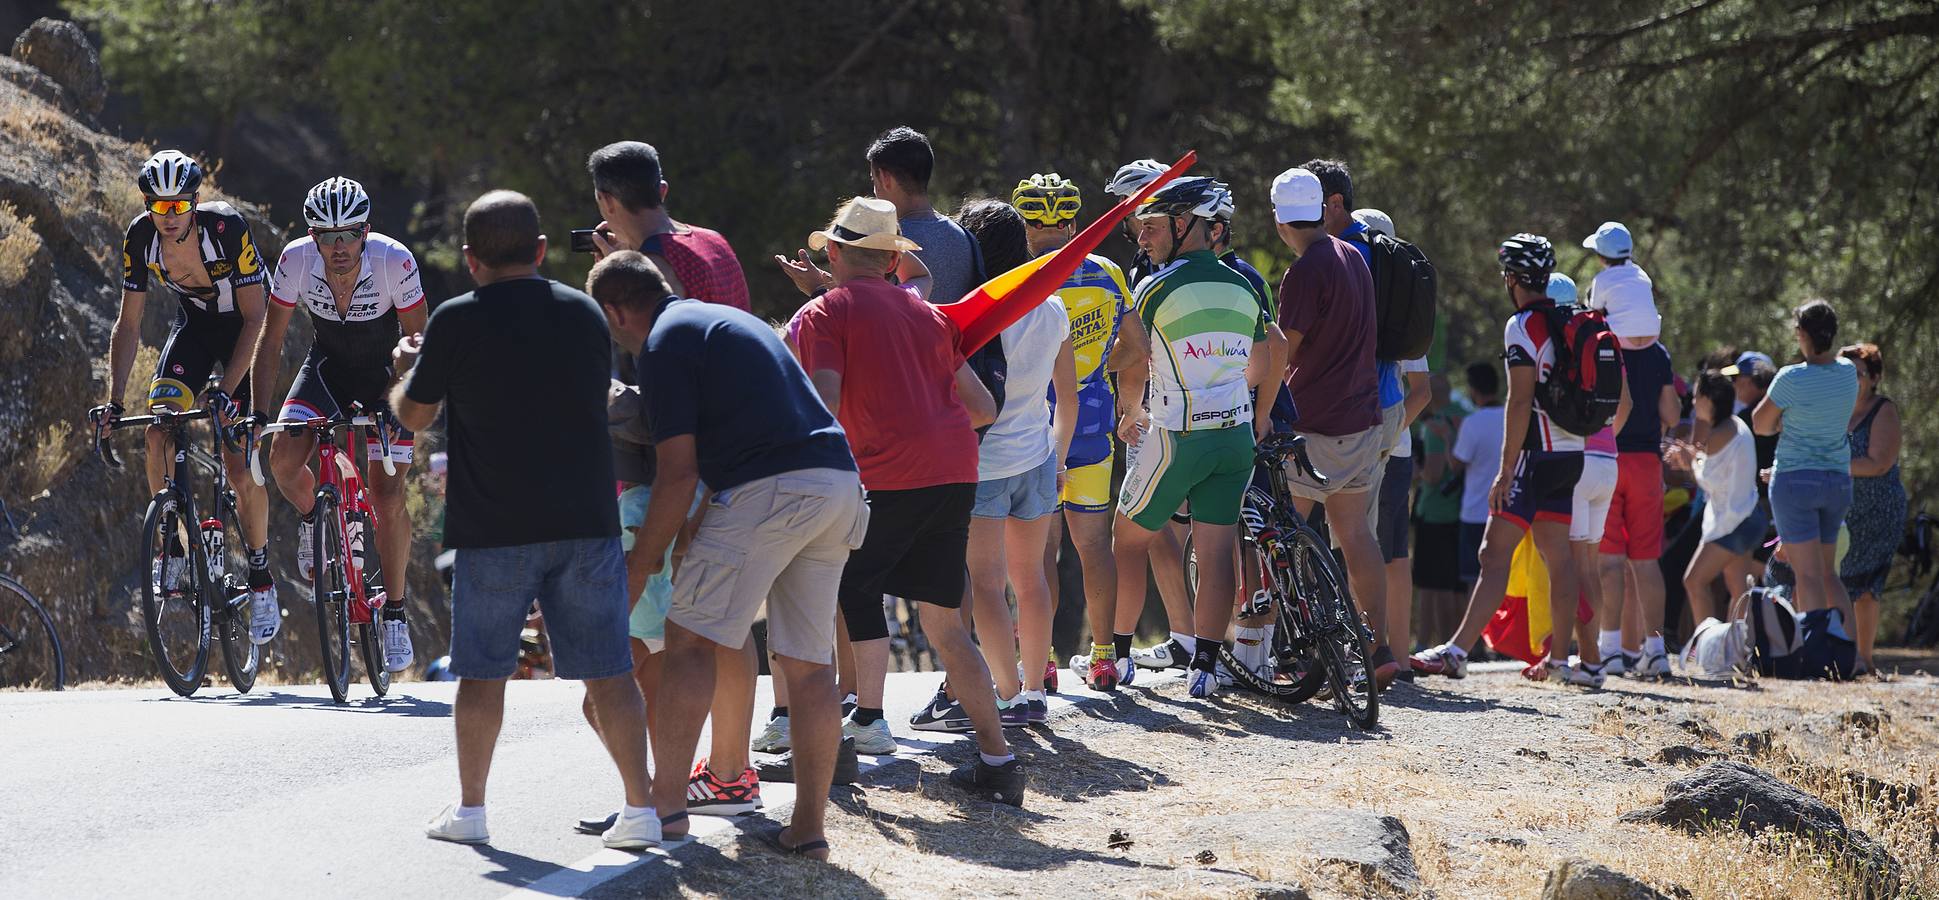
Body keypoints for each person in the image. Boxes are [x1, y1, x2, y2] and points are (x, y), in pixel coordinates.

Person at [398, 191, 654, 850]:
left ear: (470, 258)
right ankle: (641, 808)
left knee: (481, 674)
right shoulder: (584, 314)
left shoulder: (455, 320)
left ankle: (473, 811)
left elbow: (414, 416)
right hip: (585, 518)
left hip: (494, 525)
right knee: (610, 670)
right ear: (540, 251)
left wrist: (403, 373)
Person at [590, 250, 865, 859]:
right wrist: (697, 526)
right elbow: (745, 428)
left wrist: (639, 570)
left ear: (616, 310)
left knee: (689, 643)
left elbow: (675, 474)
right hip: (837, 482)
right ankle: (808, 830)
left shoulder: (662, 345)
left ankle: (664, 809)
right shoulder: (721, 321)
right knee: (810, 666)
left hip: (771, 489)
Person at [791, 197, 1025, 804]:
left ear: (836, 253)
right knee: (946, 624)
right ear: (895, 259)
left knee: (849, 587)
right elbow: (983, 408)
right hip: (955, 474)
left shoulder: (824, 313)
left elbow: (821, 401)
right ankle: (999, 762)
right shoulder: (932, 317)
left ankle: (867, 719)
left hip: (890, 475)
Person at [95, 150, 277, 641]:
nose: (168, 217)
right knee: (158, 429)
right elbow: (128, 323)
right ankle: (171, 548)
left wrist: (231, 389)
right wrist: (114, 400)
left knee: (239, 468)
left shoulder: (226, 229)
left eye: (178, 208)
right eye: (158, 206)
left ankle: (260, 577)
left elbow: (258, 319)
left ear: (195, 204)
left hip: (243, 329)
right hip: (195, 330)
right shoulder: (140, 236)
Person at [1111, 176, 1272, 699]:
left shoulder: (1157, 287)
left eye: (1155, 227)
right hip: (1235, 436)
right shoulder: (1245, 284)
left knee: (1127, 537)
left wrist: (1126, 405)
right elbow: (1270, 357)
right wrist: (1238, 397)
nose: (1143, 237)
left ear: (1186, 226)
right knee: (1217, 548)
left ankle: (1116, 658)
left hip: (1180, 434)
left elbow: (1132, 355)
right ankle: (1204, 667)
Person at [1413, 234, 1593, 685]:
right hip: (1572, 453)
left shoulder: (1523, 325)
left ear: (1511, 278)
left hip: (1535, 456)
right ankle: (1558, 659)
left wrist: (1505, 469)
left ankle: (1456, 651)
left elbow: (1519, 401)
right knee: (1559, 559)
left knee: (1492, 554)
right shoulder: (1570, 319)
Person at [257, 177, 422, 666]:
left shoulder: (395, 260)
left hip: (385, 378)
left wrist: (407, 409)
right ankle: (315, 518)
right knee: (283, 462)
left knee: (387, 495)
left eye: (348, 234)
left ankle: (393, 611)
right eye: (325, 236)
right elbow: (270, 342)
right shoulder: (295, 260)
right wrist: (259, 415)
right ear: (312, 237)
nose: (338, 247)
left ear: (365, 231)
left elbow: (420, 341)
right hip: (326, 369)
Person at [1268, 166, 1395, 688]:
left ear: (1280, 222)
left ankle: (1287, 650)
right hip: (1362, 419)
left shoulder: (1305, 271)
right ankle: (1379, 645)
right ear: (1323, 210)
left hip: (1314, 425)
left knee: (1284, 534)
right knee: (1356, 533)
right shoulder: (1353, 257)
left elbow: (1285, 352)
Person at [956, 198, 1077, 724]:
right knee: (1032, 580)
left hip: (984, 467)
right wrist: (1060, 457)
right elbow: (1066, 398)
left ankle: (1005, 695)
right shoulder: (1051, 307)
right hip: (1038, 457)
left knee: (986, 584)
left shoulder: (972, 315)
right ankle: (1033, 690)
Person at [1016, 174, 1134, 697]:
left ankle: (1039, 660)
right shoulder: (1106, 272)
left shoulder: (1018, 276)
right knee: (1094, 545)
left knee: (1039, 551)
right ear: (1072, 223)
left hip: (1034, 430)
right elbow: (1138, 346)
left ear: (1026, 226)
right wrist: (1099, 370)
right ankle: (1104, 656)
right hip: (1092, 425)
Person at [1752, 300, 1859, 625]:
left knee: (1807, 576)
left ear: (1802, 334)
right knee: (1829, 575)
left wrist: (1786, 423)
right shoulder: (1848, 372)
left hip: (1796, 481)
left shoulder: (1791, 378)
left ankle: (1816, 652)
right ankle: (1850, 654)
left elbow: (1760, 423)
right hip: (1837, 481)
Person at [1596, 305, 1679, 677]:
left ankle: (1610, 650)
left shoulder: (1603, 344)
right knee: (1647, 562)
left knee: (1610, 561)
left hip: (1610, 457)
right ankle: (1656, 651)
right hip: (1647, 462)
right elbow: (1673, 414)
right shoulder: (1658, 353)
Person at [1547, 272, 1622, 682]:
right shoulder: (1599, 332)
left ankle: (1586, 661)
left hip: (1575, 463)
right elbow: (1623, 402)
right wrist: (1605, 439)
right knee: (1589, 566)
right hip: (1608, 461)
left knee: (1572, 568)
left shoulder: (1557, 338)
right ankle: (1590, 658)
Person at [585, 141, 750, 311]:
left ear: (608, 200)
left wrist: (619, 275)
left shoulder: (651, 271)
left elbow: (639, 334)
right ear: (662, 191)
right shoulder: (715, 240)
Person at [1671, 372, 1768, 623]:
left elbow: (1708, 481)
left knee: (1694, 582)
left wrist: (1690, 462)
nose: (1693, 403)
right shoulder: (1734, 425)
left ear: (1707, 399)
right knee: (1738, 590)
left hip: (1733, 524)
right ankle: (1737, 651)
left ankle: (1708, 648)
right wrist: (1693, 460)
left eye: (1696, 397)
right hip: (1749, 517)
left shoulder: (1719, 433)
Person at [1837, 342, 1903, 675]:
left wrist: (1832, 464)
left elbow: (1879, 463)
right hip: (1843, 510)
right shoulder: (1836, 409)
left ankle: (1864, 658)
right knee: (1842, 582)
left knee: (1865, 588)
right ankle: (1844, 654)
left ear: (1874, 377)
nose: (1850, 380)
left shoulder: (1883, 410)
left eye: (1858, 374)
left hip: (1878, 510)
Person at [866, 126, 984, 305]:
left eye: (874, 181)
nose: (874, 190)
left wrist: (818, 289)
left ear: (885, 178)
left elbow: (868, 315)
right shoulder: (966, 238)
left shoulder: (887, 244)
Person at [1411, 373, 1468, 649]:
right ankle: (1463, 643)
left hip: (1434, 511)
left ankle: (1427, 643)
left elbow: (1433, 474)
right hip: (1463, 509)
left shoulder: (1436, 425)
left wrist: (1415, 473)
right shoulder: (1467, 416)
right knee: (1458, 583)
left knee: (1431, 585)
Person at [1450, 363, 1506, 589]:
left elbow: (1455, 465)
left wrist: (1447, 437)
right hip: (1506, 513)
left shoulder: (1472, 423)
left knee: (1475, 585)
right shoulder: (1511, 418)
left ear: (1473, 390)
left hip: (1474, 514)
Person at [1581, 221, 1659, 349]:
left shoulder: (1601, 279)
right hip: (1652, 337)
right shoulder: (1641, 274)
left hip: (1621, 339)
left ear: (1601, 256)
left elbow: (1596, 313)